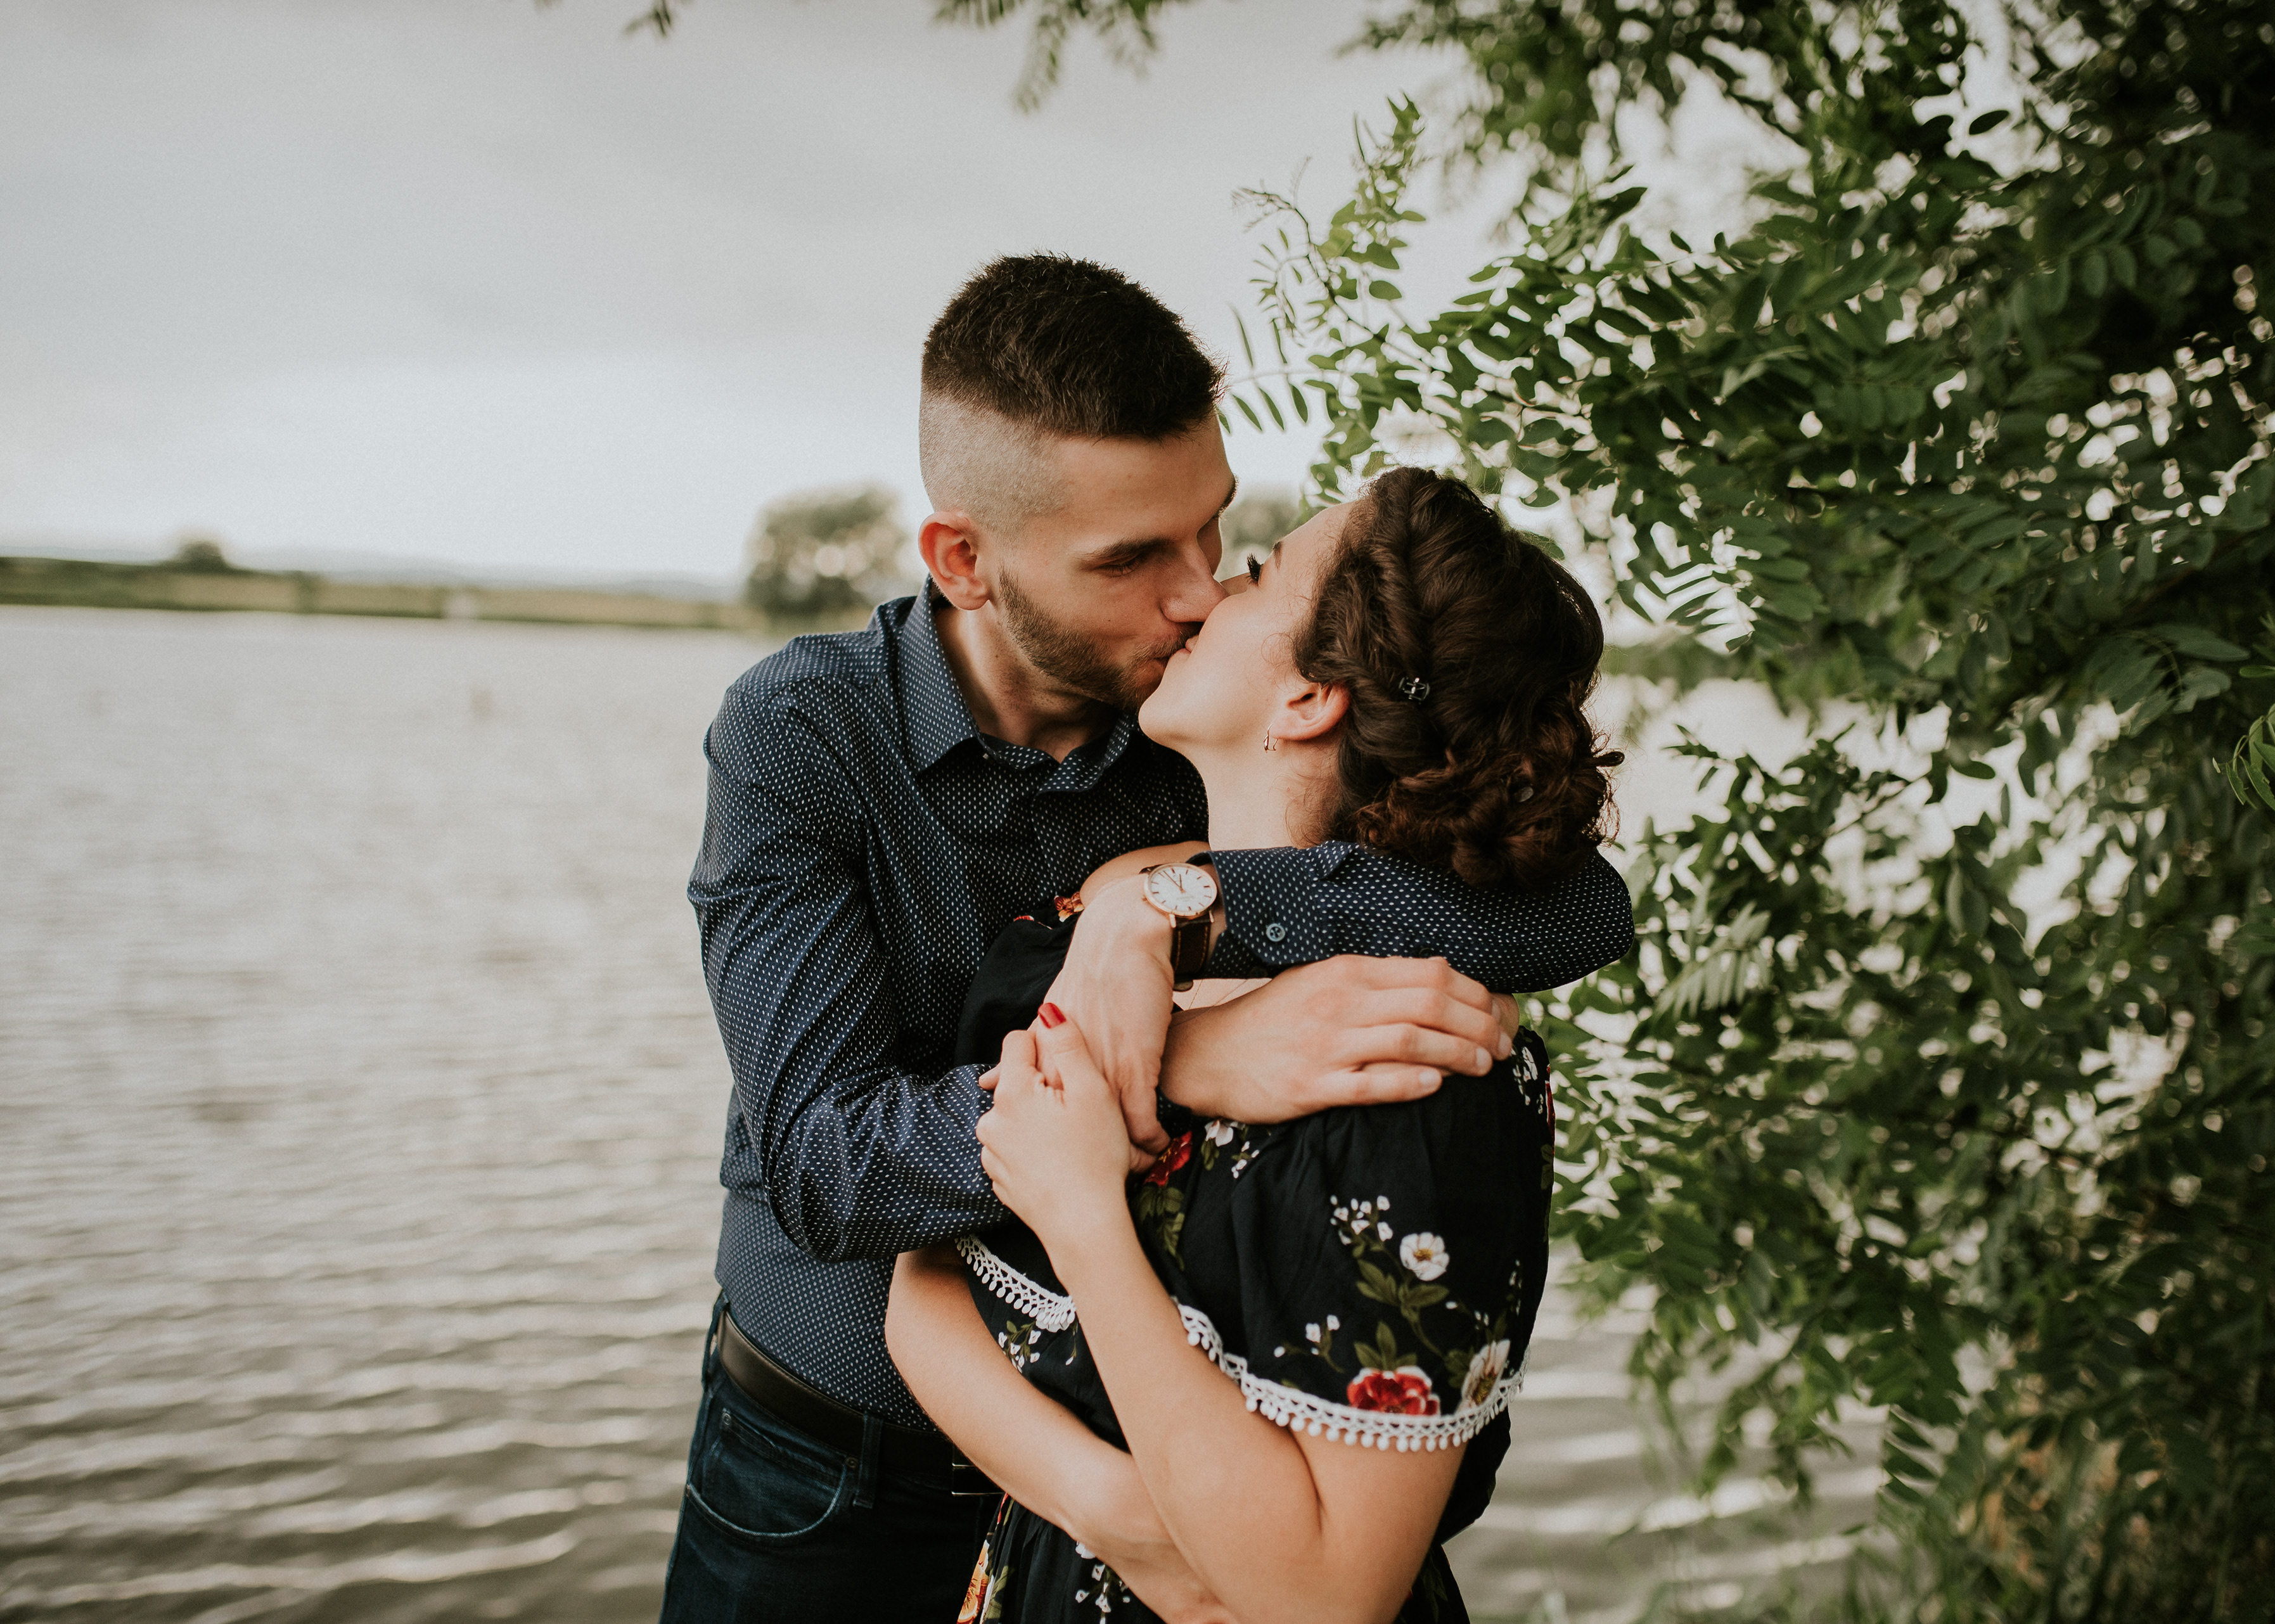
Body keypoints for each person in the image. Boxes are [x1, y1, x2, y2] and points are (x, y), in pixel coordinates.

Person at [664, 258, 1638, 1620]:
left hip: (1179, 1469)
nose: (1195, 593)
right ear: (965, 562)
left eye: (1213, 531)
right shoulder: (804, 735)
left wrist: (1174, 905)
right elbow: (829, 1170)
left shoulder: (1195, 726)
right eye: (1131, 560)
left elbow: (1580, 908)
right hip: (834, 1468)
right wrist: (1176, 1060)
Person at [887, 466, 1636, 1622]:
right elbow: (924, 1289)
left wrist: (1086, 1218)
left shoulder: (1409, 1064)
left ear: (1310, 699)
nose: (1205, 594)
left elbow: (1325, 1599)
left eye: (1255, 571)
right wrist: (1118, 1514)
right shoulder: (1110, 937)